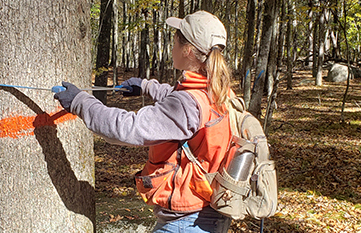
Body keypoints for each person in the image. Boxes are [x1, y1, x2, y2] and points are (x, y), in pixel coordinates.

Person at [55, 11, 233, 233]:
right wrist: (146, 86)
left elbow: (127, 129)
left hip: (187, 222)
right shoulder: (219, 92)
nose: (172, 46)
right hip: (208, 213)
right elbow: (180, 100)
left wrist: (80, 102)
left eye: (175, 40)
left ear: (187, 50)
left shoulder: (187, 103)